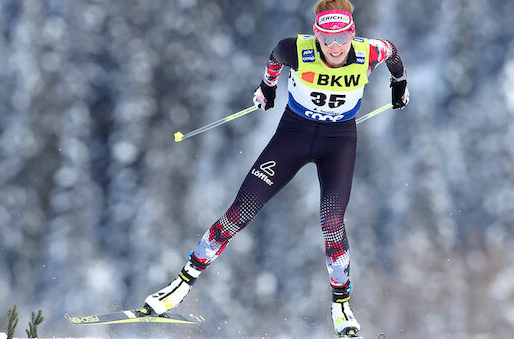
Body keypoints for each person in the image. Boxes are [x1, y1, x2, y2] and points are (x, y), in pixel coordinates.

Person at [142, 0, 409, 336]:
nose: (336, 47)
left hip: (338, 142)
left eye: (342, 38)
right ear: (317, 37)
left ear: (352, 34)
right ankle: (182, 283)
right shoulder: (295, 49)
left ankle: (341, 304)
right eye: (327, 39)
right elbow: (274, 58)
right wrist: (267, 87)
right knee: (240, 211)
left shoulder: (371, 51)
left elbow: (393, 52)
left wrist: (399, 82)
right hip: (292, 137)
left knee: (331, 222)